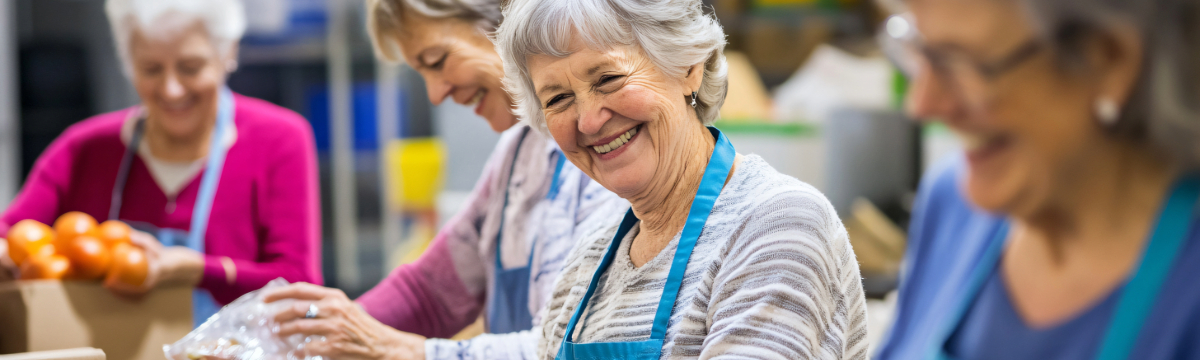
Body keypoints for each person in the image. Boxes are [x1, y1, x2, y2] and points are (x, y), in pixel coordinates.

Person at [493, 0, 870, 358]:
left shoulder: (778, 225)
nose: (589, 120)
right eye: (558, 99)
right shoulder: (589, 259)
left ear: (688, 66)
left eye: (608, 78)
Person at [263, 0, 626, 358]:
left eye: (437, 62)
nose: (436, 94)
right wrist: (312, 337)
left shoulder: (605, 154)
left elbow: (573, 346)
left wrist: (404, 350)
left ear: (506, 22)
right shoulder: (518, 152)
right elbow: (430, 293)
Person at [873, 0, 1200, 358]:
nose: (922, 104)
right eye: (920, 49)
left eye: (960, 61)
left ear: (1108, 59)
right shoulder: (953, 205)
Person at [0, 0, 322, 326]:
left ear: (228, 53)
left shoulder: (279, 140)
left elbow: (298, 284)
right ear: (128, 63)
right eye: (151, 69)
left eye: (190, 67)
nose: (171, 89)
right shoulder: (83, 148)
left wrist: (196, 270)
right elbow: (9, 235)